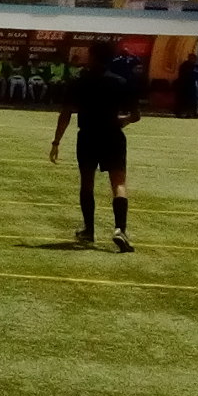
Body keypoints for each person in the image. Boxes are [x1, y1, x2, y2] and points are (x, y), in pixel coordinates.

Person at [49, 40, 139, 253]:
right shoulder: (120, 82)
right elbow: (135, 115)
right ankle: (120, 229)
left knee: (87, 183)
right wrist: (123, 120)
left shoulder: (79, 81)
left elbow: (66, 113)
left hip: (88, 135)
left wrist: (56, 142)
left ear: (93, 56)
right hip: (113, 135)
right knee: (118, 183)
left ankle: (89, 230)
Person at [174, 53, 198, 118]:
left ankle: (188, 113)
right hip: (186, 85)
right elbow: (195, 75)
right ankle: (186, 113)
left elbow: (197, 75)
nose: (194, 60)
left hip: (187, 85)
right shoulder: (187, 66)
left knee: (187, 100)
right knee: (187, 99)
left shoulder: (187, 65)